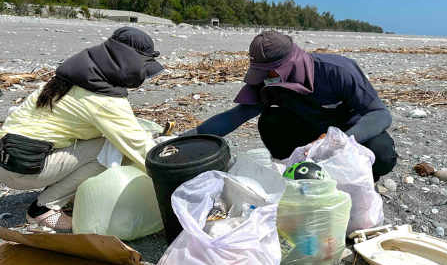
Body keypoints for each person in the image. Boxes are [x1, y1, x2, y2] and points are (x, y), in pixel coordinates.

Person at [0, 27, 164, 230]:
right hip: (22, 168)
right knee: (112, 148)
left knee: (104, 143)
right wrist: (175, 179)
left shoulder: (78, 74)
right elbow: (139, 148)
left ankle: (67, 191)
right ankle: (43, 208)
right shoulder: (105, 100)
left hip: (8, 155)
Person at [185, 31, 398, 180]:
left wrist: (338, 140)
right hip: (310, 133)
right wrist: (189, 137)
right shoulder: (270, 82)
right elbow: (238, 115)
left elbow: (380, 113)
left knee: (382, 157)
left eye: (269, 72)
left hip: (350, 132)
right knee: (270, 120)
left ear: (291, 63)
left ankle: (357, 176)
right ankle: (298, 170)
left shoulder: (337, 70)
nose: (266, 79)